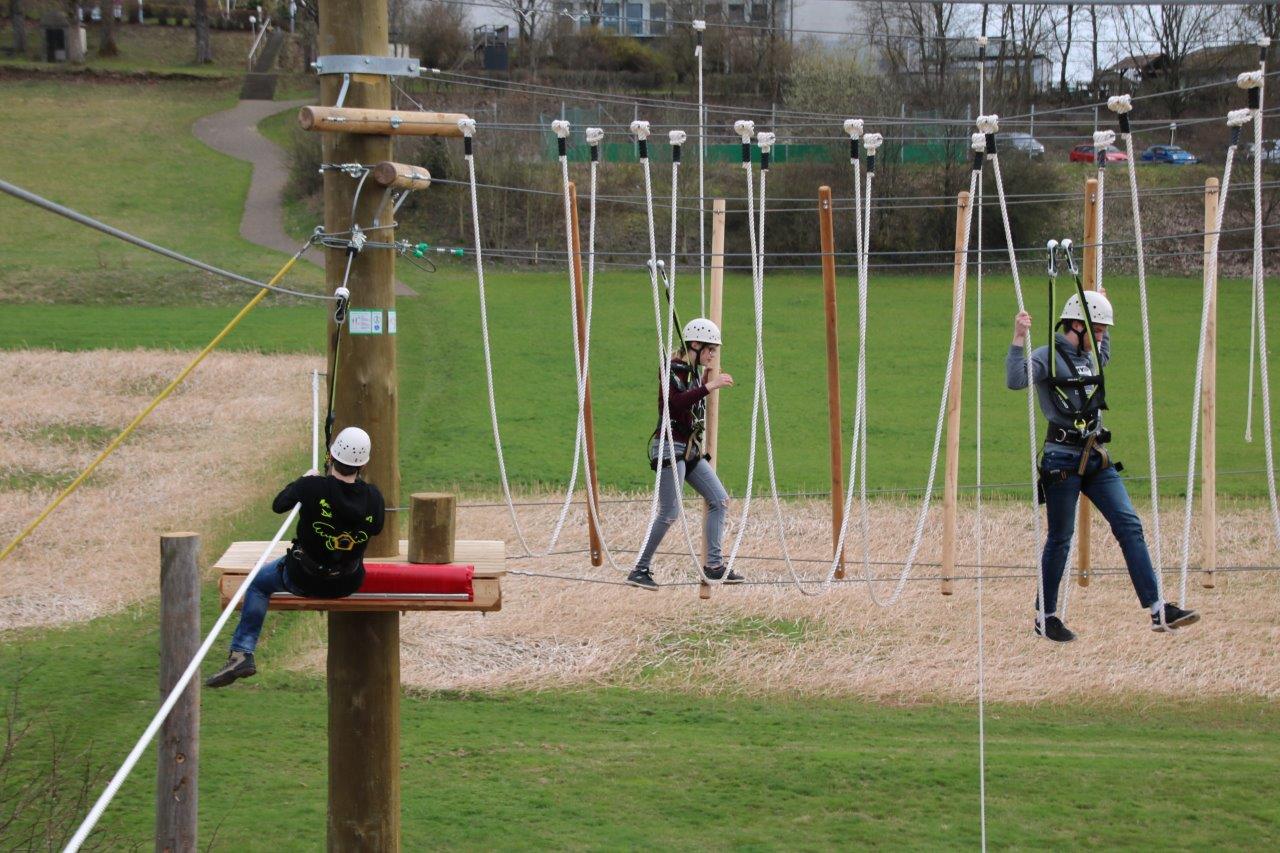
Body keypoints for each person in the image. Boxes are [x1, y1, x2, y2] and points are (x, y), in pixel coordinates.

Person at [1008, 289, 1200, 642]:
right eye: (1097, 330)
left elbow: (1105, 353)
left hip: (1095, 456)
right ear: (1076, 325)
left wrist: (1101, 304)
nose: (1101, 337)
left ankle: (1159, 610)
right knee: (1060, 539)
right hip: (1062, 459)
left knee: (1129, 524)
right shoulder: (1045, 357)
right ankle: (1045, 616)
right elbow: (1015, 380)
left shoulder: (1091, 354)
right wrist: (1018, 338)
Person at [206, 426, 386, 687]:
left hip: (302, 578)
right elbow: (377, 527)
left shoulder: (311, 487)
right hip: (347, 582)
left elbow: (279, 505)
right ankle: (240, 654)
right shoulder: (374, 498)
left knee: (257, 584)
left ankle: (242, 652)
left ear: (332, 457)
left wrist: (303, 482)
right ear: (364, 463)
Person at [627, 318, 740, 591]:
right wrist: (708, 387)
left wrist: (703, 381)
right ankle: (639, 569)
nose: (713, 355)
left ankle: (713, 566)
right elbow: (675, 404)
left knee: (719, 500)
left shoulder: (689, 375)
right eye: (710, 349)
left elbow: (691, 402)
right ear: (696, 344)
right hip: (669, 447)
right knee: (669, 512)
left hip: (688, 450)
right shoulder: (672, 369)